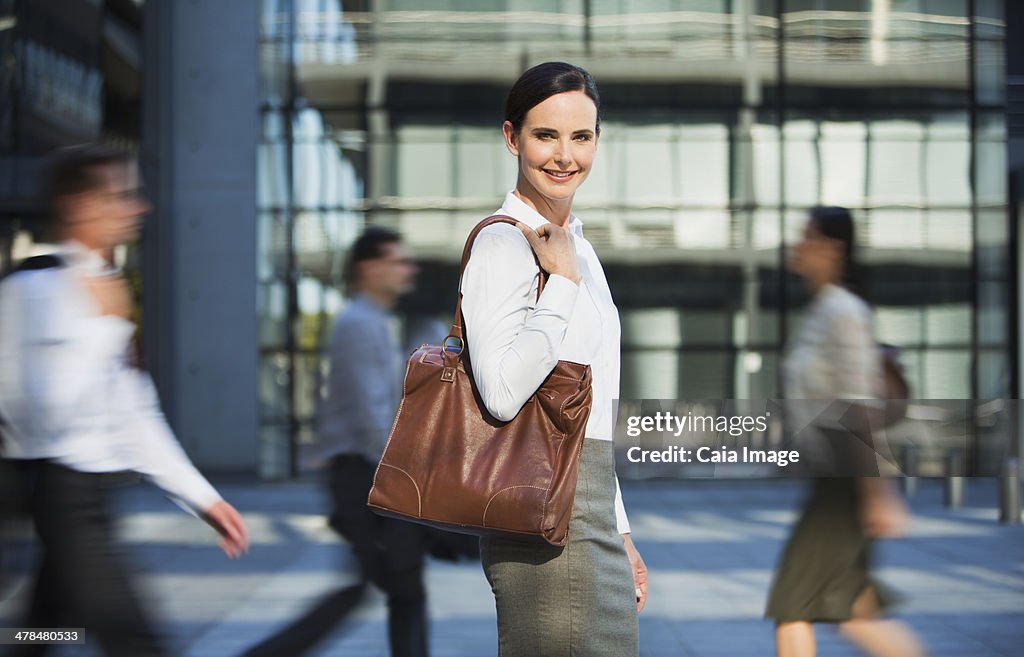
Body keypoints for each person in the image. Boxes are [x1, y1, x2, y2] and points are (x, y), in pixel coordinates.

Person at [0, 144, 249, 657]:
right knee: (136, 642)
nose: (138, 208)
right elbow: (23, 406)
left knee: (40, 633)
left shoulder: (108, 288)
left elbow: (136, 415)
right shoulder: (31, 288)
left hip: (92, 496)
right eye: (121, 196)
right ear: (78, 205)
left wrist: (201, 497)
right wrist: (101, 332)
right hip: (59, 492)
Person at [459, 62, 647, 656]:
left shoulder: (580, 249)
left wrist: (620, 530)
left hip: (590, 506)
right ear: (512, 138)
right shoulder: (503, 243)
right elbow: (501, 393)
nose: (565, 155)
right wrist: (560, 284)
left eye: (581, 137)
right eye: (546, 135)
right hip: (541, 512)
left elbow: (597, 407)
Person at [238, 227, 434, 657]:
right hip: (363, 474)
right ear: (368, 269)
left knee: (396, 585)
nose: (408, 269)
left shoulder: (374, 322)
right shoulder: (360, 324)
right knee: (391, 586)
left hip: (366, 472)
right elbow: (371, 416)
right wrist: (408, 475)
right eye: (397, 261)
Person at [766, 206, 926, 657]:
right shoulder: (823, 309)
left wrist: (878, 494)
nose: (798, 245)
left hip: (844, 484)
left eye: (808, 236)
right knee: (856, 612)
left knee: (793, 605)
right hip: (831, 478)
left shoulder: (843, 311)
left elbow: (860, 407)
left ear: (834, 249)